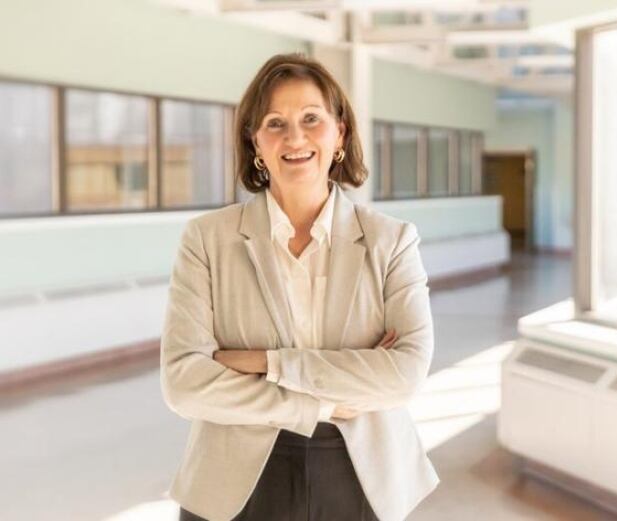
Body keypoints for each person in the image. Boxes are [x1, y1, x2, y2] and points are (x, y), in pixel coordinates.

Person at [160, 52, 439, 521]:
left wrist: (264, 363)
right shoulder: (206, 240)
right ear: (255, 142)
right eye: (275, 123)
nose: (295, 137)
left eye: (312, 118)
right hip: (234, 480)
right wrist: (325, 399)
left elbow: (405, 374)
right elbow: (184, 385)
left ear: (340, 134)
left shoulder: (392, 241)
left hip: (363, 473)